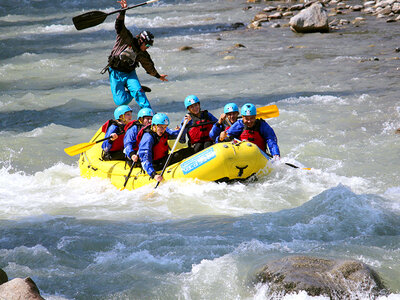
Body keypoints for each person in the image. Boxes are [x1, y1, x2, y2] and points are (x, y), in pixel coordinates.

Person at [103, 0, 168, 108]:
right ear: (141, 41)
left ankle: (148, 113)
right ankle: (134, 91)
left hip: (129, 74)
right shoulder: (126, 38)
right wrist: (123, 11)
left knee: (139, 92)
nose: (147, 48)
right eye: (146, 45)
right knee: (121, 102)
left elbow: (149, 67)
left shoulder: (143, 54)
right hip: (115, 72)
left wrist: (158, 76)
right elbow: (119, 26)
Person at [138, 113, 192, 182]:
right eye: (161, 127)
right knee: (180, 154)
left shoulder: (164, 131)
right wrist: (154, 174)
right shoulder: (148, 138)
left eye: (165, 127)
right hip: (155, 165)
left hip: (163, 160)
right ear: (154, 125)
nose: (163, 130)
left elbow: (178, 134)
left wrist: (185, 123)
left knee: (189, 150)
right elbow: (145, 159)